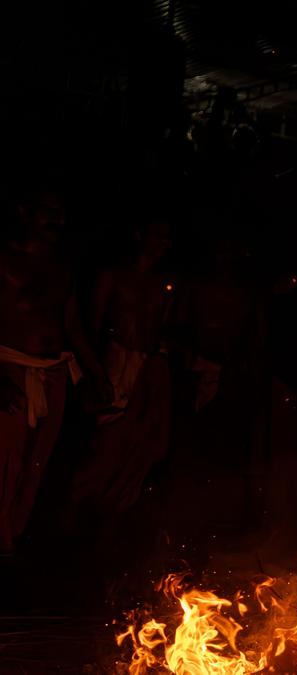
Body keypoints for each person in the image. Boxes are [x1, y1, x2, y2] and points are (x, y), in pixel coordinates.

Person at [0, 185, 111, 553]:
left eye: (60, 211)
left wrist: (95, 371)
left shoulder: (63, 264)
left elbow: (71, 323)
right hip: (11, 368)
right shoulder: (5, 259)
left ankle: (11, 539)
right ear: (23, 211)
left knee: (35, 464)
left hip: (54, 373)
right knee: (6, 462)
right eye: (47, 209)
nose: (56, 218)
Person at [70, 218, 174, 522]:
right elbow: (91, 326)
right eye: (158, 235)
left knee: (144, 448)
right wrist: (94, 371)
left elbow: (163, 327)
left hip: (150, 369)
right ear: (139, 234)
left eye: (168, 238)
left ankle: (111, 522)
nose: (163, 244)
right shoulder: (112, 275)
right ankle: (74, 515)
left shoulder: (163, 282)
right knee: (106, 445)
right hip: (117, 366)